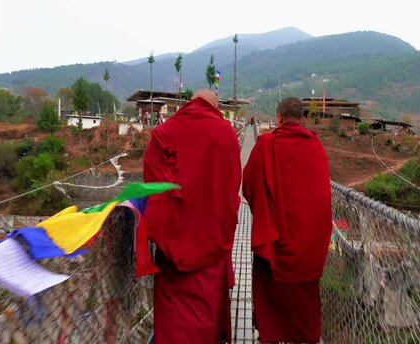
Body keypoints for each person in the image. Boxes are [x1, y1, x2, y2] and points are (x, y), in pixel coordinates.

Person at [140, 89, 242, 343]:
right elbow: (231, 191)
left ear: (191, 102)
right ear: (214, 106)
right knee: (206, 314)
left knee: (174, 317)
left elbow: (151, 187)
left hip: (172, 246)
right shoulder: (226, 132)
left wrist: (166, 230)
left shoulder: (164, 132)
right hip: (212, 241)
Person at [242, 97, 332, 344]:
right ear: (302, 120)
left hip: (274, 243)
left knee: (271, 300)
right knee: (305, 307)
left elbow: (248, 185)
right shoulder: (316, 146)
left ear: (279, 118)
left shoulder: (267, 143)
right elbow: (322, 196)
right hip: (308, 247)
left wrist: (266, 212)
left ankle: (271, 336)